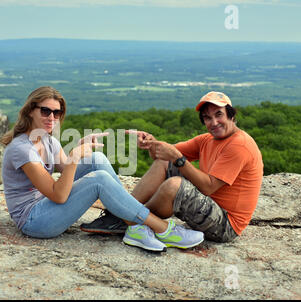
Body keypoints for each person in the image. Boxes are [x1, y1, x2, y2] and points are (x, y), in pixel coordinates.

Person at [0, 86, 204, 252]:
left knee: (96, 158)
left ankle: (130, 224)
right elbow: (59, 195)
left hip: (46, 205)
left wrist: (80, 148)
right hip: (35, 221)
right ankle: (163, 229)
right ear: (30, 110)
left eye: (57, 112)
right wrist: (75, 157)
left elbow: (65, 168)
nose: (52, 117)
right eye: (45, 111)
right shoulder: (22, 149)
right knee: (98, 180)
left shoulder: (47, 140)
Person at [81, 91, 263, 243]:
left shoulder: (239, 145)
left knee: (174, 185)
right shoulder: (208, 140)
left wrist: (178, 159)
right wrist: (151, 144)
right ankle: (121, 213)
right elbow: (163, 156)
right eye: (207, 118)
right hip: (209, 206)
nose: (213, 123)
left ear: (231, 115)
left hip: (225, 224)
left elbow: (209, 186)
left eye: (219, 115)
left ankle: (128, 219)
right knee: (165, 163)